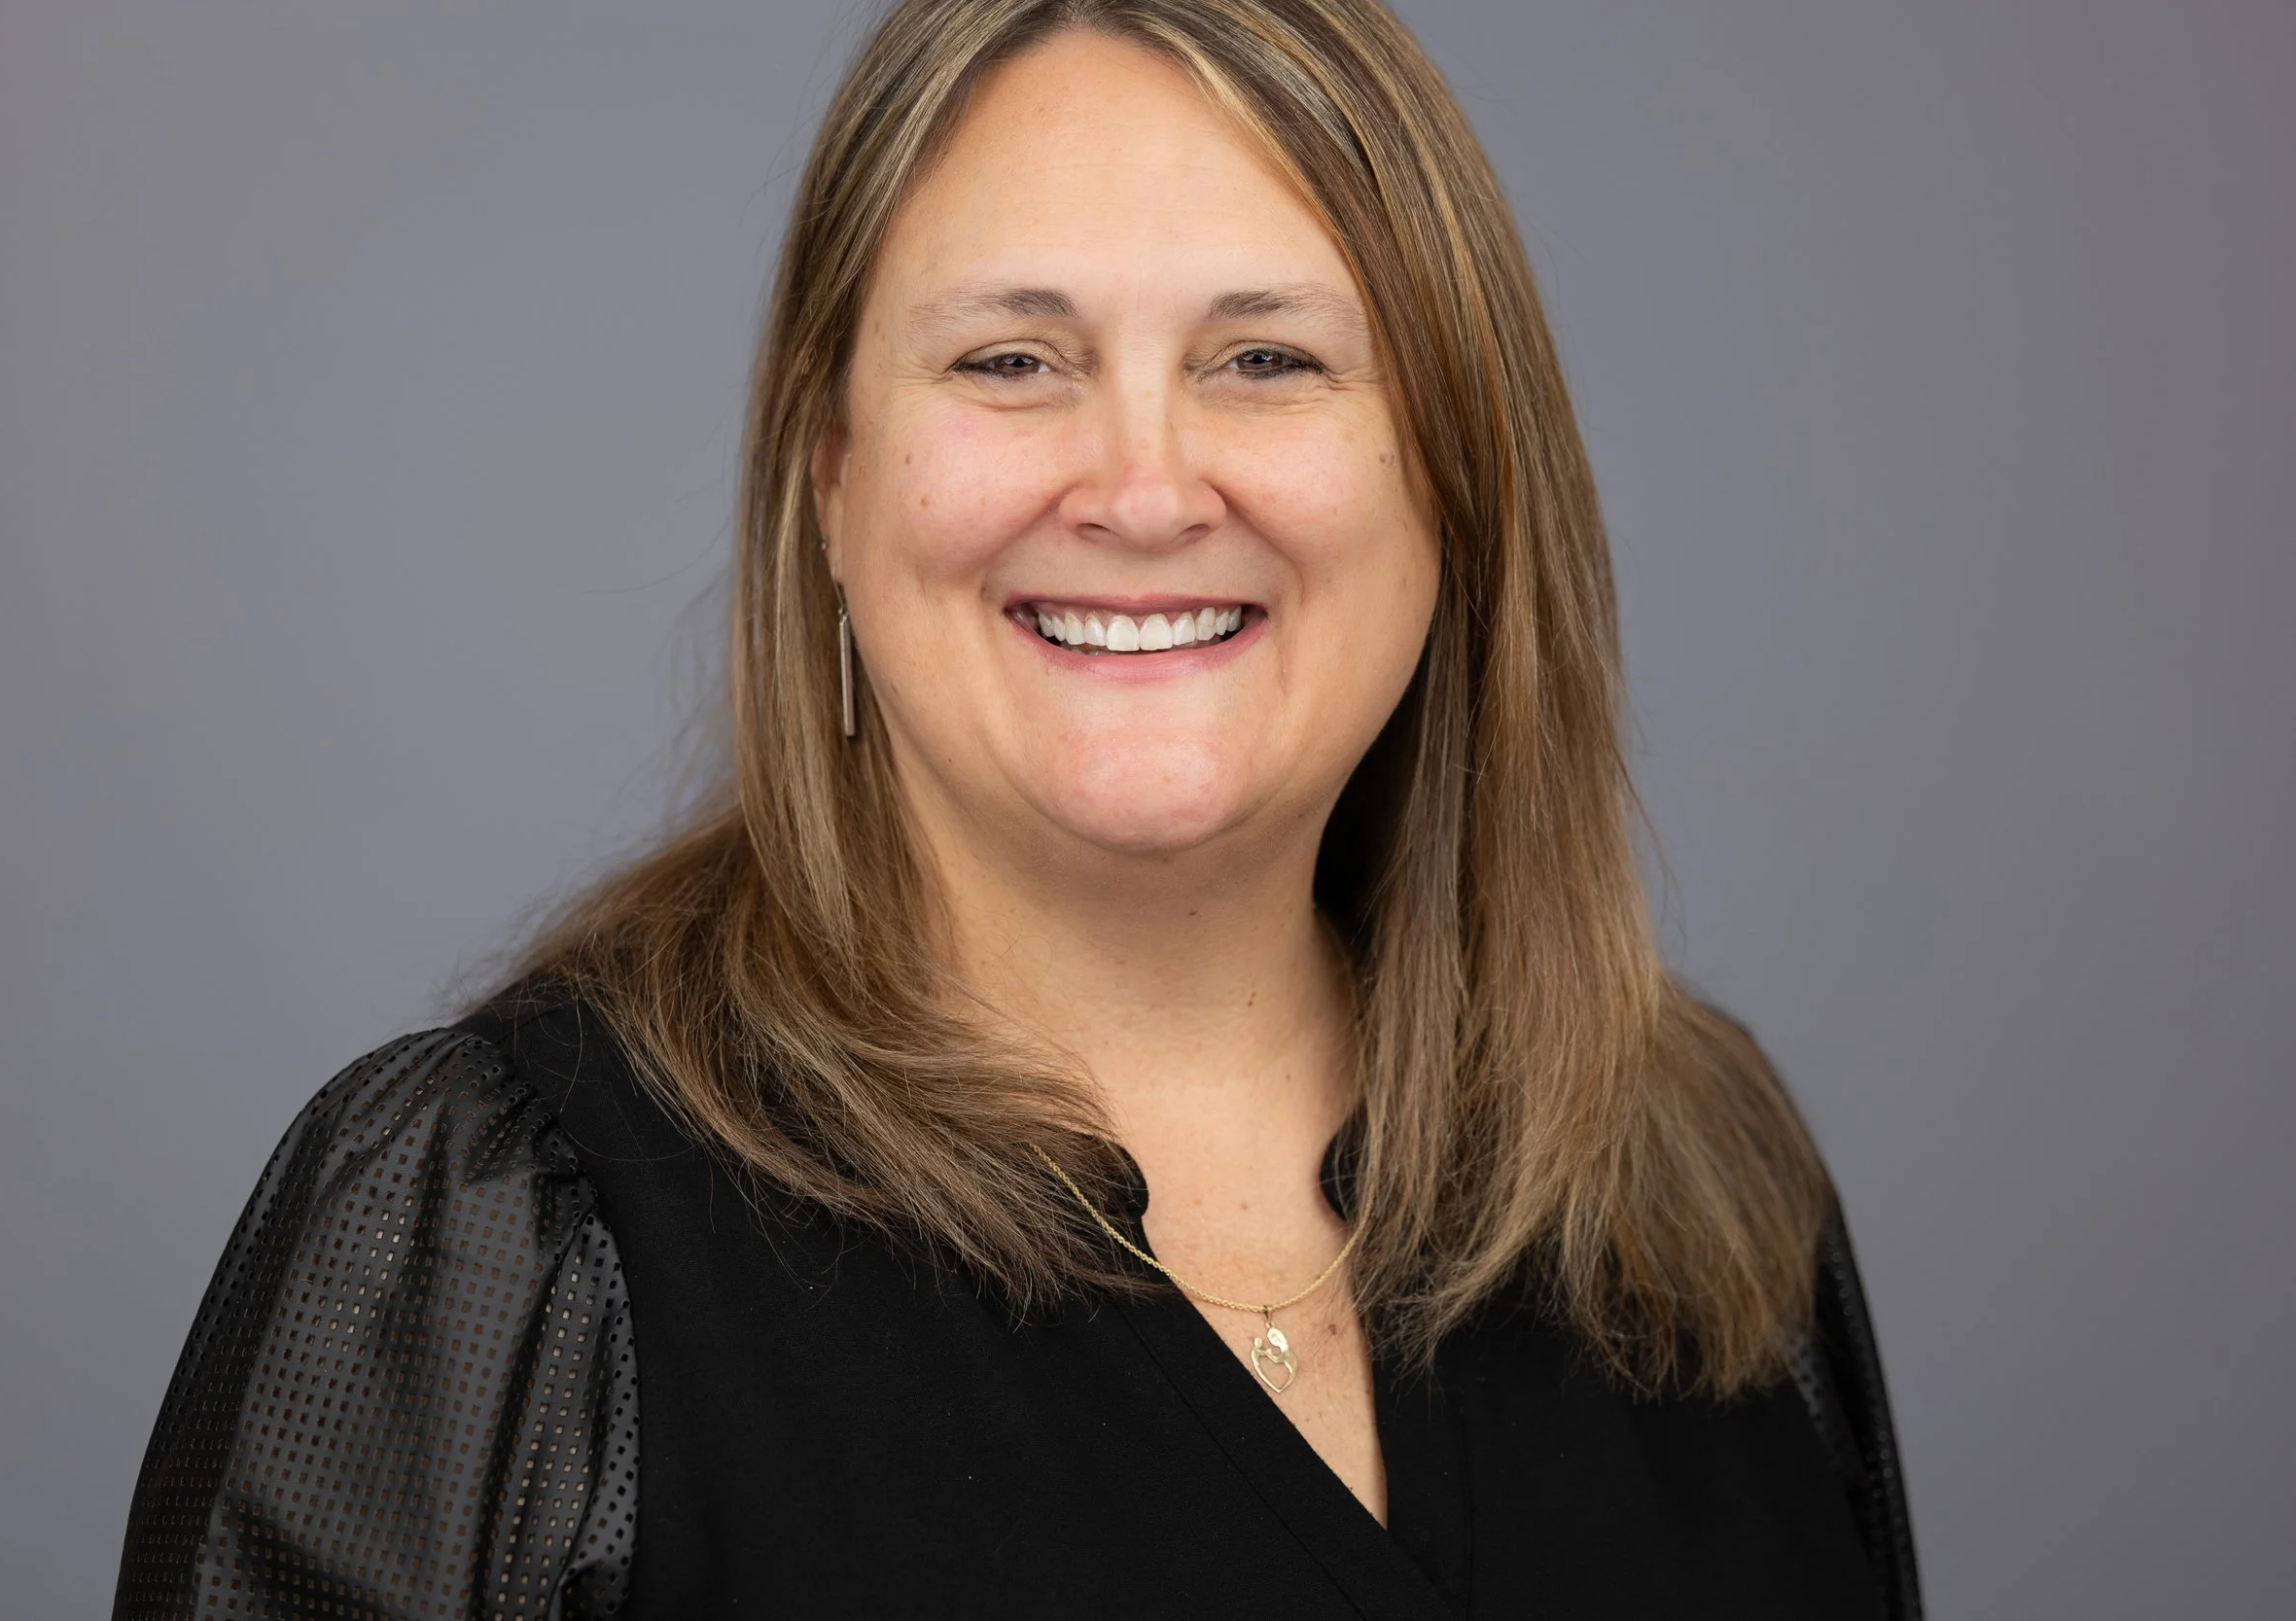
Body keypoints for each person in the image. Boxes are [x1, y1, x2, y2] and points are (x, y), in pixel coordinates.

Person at [113, 2, 1921, 1616]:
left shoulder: (1696, 1191)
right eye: (1011, 359)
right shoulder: (505, 1238)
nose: (1142, 489)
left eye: (1267, 356)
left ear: (1457, 471)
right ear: (829, 478)